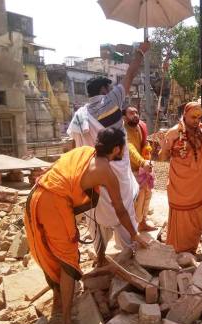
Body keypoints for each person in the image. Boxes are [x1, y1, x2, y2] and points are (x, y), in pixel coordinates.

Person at [24, 127, 148, 324]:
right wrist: (134, 234)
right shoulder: (106, 172)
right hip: (53, 204)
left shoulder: (82, 152)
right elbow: (120, 209)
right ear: (116, 149)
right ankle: (66, 323)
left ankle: (58, 298)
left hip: (35, 196)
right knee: (69, 261)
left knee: (50, 249)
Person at [67, 42, 150, 261]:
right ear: (104, 90)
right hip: (116, 173)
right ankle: (131, 253)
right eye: (108, 88)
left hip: (90, 174)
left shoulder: (79, 115)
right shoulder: (111, 101)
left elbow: (73, 147)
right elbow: (130, 74)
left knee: (95, 215)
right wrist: (140, 52)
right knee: (122, 209)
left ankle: (101, 258)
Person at [159, 101, 202, 253]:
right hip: (181, 186)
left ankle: (191, 249)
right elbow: (163, 157)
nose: (197, 121)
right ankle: (177, 251)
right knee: (182, 217)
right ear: (184, 114)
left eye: (199, 117)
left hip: (201, 183)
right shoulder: (173, 133)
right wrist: (166, 147)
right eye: (193, 117)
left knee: (198, 217)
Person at [123, 105, 156, 232]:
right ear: (125, 117)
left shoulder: (141, 126)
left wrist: (148, 150)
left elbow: (145, 142)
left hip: (144, 168)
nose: (135, 115)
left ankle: (143, 222)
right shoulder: (123, 130)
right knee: (138, 198)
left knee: (148, 194)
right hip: (131, 170)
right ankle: (134, 227)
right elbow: (129, 148)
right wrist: (142, 162)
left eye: (136, 112)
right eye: (131, 113)